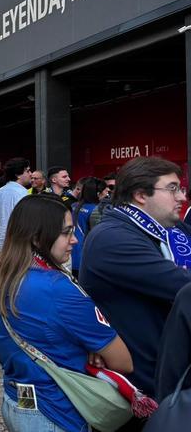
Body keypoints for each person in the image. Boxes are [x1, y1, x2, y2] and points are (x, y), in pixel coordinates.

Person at [0, 194, 133, 432]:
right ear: (36, 237)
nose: (74, 240)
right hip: (56, 412)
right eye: (66, 232)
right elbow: (123, 362)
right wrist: (90, 349)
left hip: (17, 401)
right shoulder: (57, 288)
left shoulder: (1, 281)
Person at [80, 157, 191, 396]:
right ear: (141, 195)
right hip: (145, 383)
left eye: (180, 188)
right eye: (172, 189)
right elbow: (184, 286)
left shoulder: (173, 229)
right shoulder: (111, 239)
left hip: (172, 370)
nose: (182, 197)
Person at [0, 158, 32, 255]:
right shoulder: (22, 193)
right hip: (17, 248)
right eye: (27, 171)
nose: (31, 174)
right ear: (17, 174)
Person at [69, 177, 107, 276]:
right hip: (86, 258)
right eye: (105, 190)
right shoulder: (96, 210)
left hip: (71, 256)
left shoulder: (73, 206)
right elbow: (99, 237)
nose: (107, 192)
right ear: (98, 194)